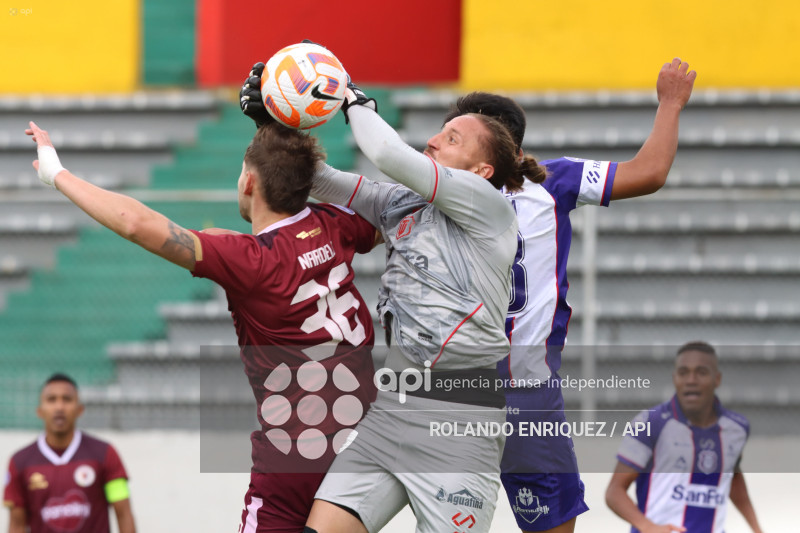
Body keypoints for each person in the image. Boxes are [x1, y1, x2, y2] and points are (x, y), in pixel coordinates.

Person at [23, 121, 379, 532]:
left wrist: (57, 175)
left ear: (248, 181)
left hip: (297, 452)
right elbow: (384, 212)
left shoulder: (251, 260)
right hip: (364, 440)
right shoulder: (334, 225)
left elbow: (136, 224)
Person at [242, 59, 547, 533]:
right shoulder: (401, 202)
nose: (433, 140)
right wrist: (276, 124)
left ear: (482, 169)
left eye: (452, 139)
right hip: (391, 409)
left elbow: (386, 151)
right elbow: (315, 180)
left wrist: (349, 97)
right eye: (440, 131)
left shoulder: (488, 206)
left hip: (459, 422)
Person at [441, 58, 696, 533]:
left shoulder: (430, 191)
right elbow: (651, 172)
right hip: (526, 397)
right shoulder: (553, 181)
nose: (437, 145)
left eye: (452, 136)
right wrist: (670, 104)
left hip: (448, 393)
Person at [606, 342, 764, 533]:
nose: (691, 380)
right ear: (674, 379)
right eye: (683, 372)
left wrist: (757, 529)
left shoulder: (736, 428)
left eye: (701, 372)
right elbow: (614, 491)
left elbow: (732, 475)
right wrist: (648, 526)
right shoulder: (651, 422)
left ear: (717, 379)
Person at [3, 373, 135, 533]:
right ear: (40, 411)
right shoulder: (19, 462)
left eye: (67, 399)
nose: (59, 407)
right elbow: (17, 525)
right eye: (51, 400)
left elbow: (123, 514)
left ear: (80, 409)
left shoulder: (105, 453)